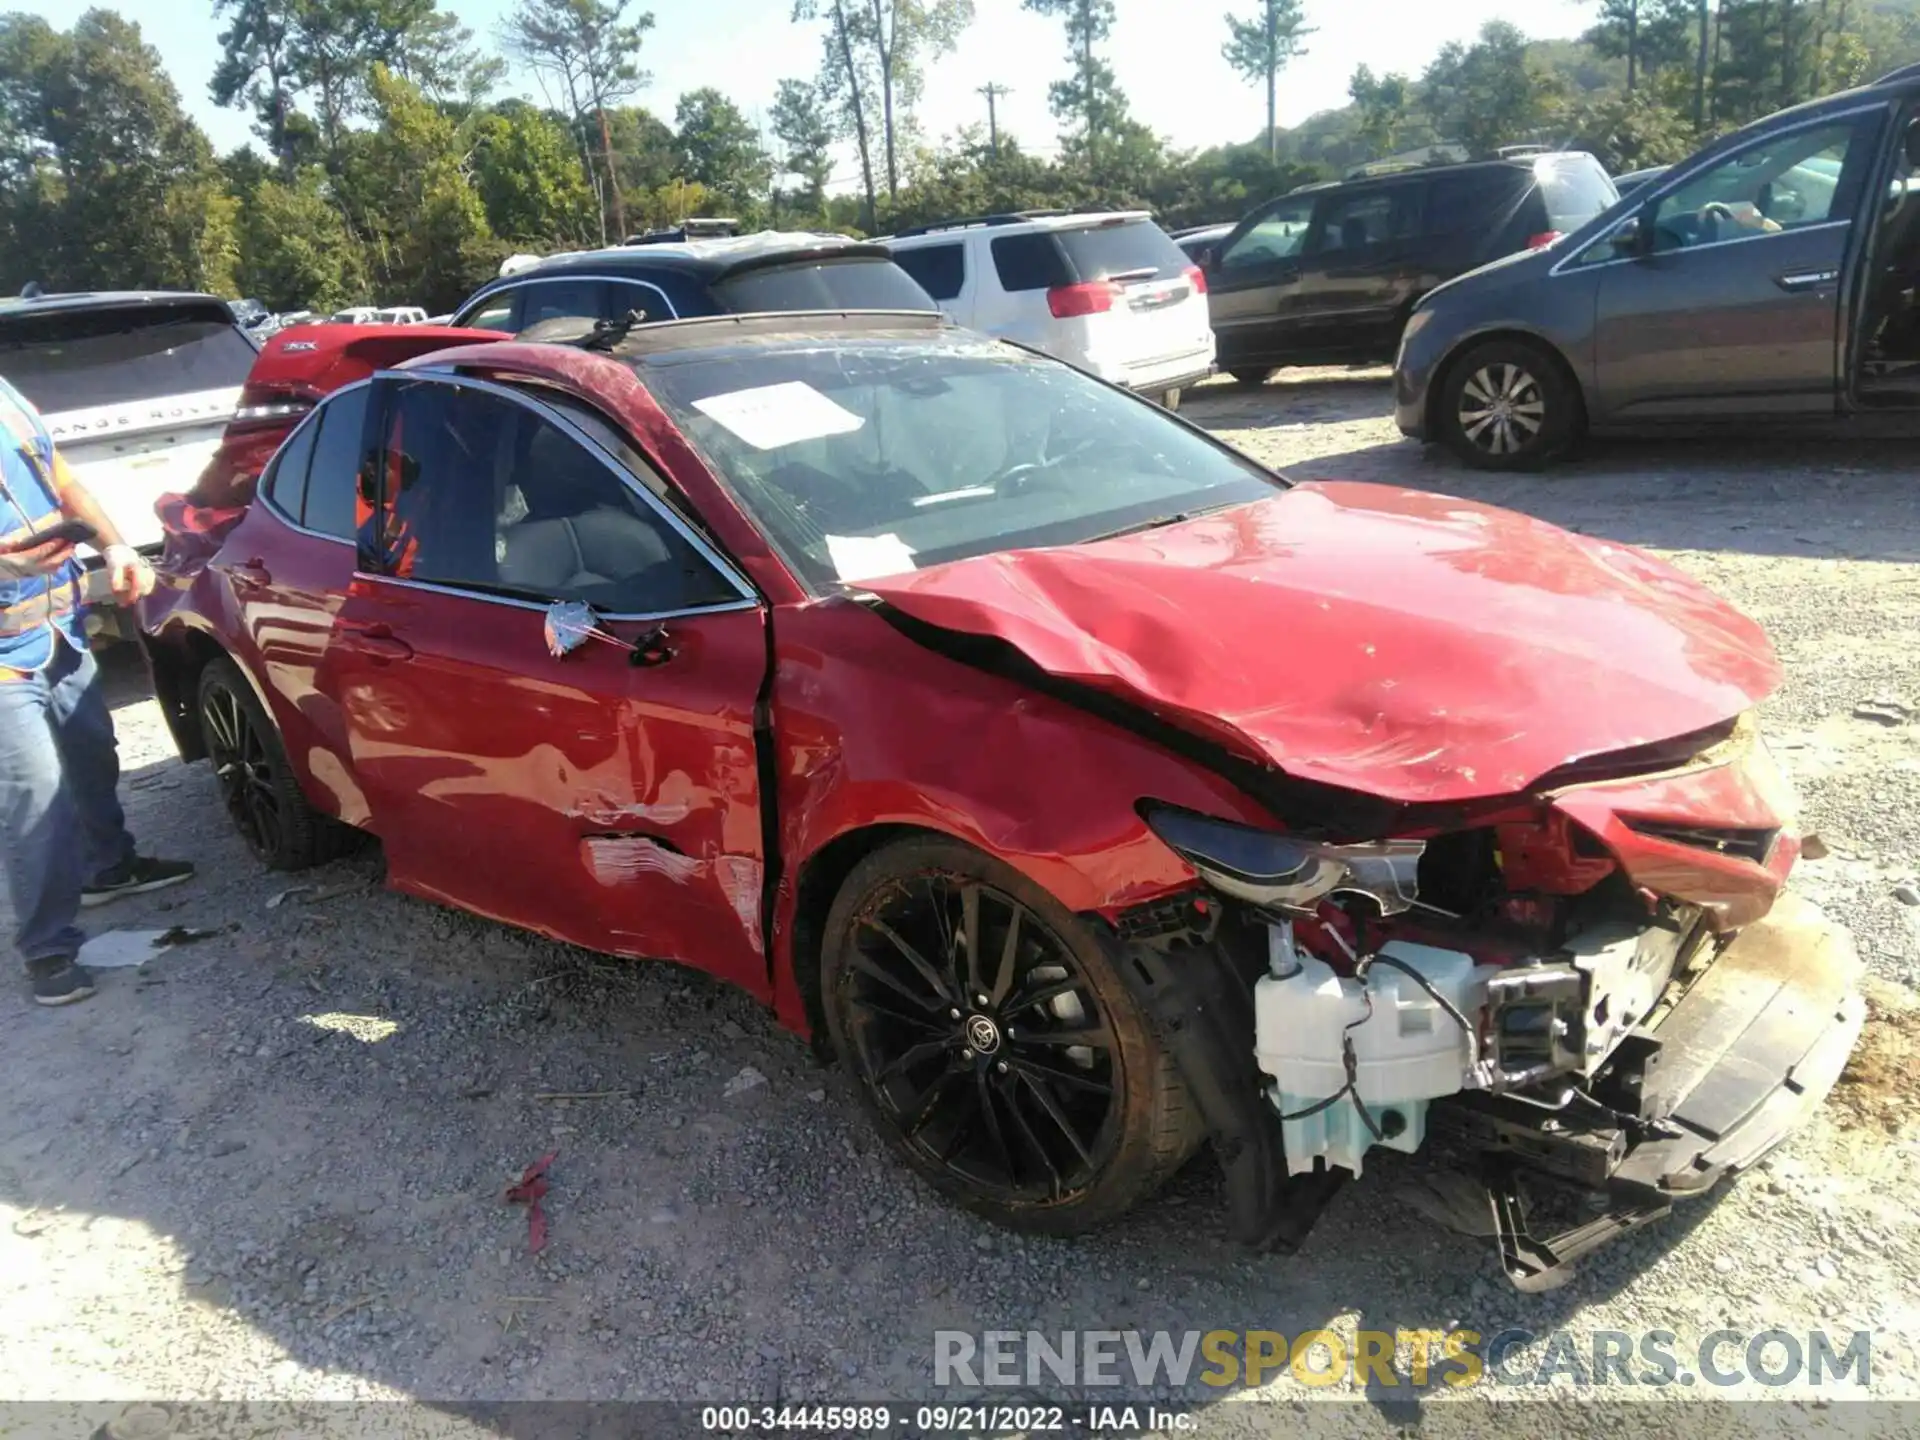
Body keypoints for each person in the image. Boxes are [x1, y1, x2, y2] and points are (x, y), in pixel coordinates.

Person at [0, 373, 195, 1007]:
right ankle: (48, 948)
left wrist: (113, 544)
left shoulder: (6, 394)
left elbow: (62, 482)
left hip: (59, 625)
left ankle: (107, 866)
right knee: (36, 799)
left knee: (92, 755)